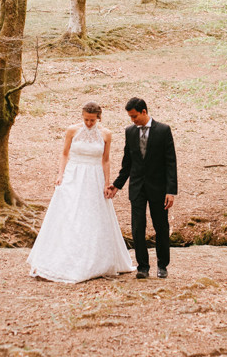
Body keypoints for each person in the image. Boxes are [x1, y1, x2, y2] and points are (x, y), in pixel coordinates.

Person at [27, 102, 135, 283]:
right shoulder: (72, 130)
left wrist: (107, 183)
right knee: (70, 214)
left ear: (98, 118)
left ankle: (94, 259)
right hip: (73, 175)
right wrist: (60, 174)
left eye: (92, 120)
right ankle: (63, 257)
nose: (89, 123)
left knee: (92, 215)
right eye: (86, 119)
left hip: (94, 176)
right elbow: (64, 153)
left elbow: (106, 160)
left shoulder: (106, 134)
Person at [105, 97, 177, 279]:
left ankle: (162, 265)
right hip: (137, 188)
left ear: (144, 112)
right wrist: (117, 185)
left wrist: (171, 191)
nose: (132, 120)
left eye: (134, 116)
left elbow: (171, 163)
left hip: (158, 188)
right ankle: (142, 267)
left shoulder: (163, 130)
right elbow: (127, 163)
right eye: (130, 117)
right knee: (138, 227)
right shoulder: (129, 132)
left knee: (160, 226)